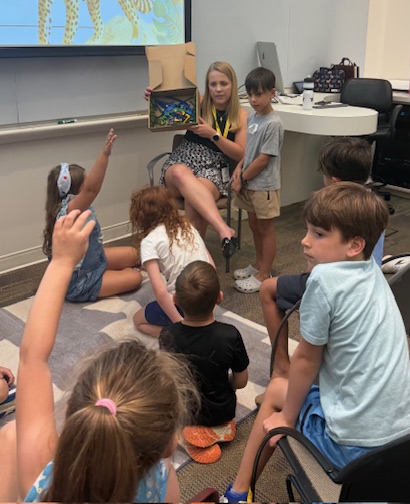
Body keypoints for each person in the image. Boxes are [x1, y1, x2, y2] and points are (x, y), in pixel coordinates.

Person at [223, 183, 410, 502]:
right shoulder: (372, 269)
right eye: (307, 230)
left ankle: (237, 494)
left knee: (277, 391)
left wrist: (286, 418)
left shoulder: (324, 280)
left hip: (356, 450)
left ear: (354, 244)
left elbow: (306, 360)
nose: (304, 241)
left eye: (318, 234)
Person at [1, 209, 198, 503]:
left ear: (75, 417)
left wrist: (61, 262)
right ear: (171, 442)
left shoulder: (42, 479)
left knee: (12, 434)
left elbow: (33, 358)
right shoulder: (162, 480)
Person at [260, 136, 385, 378]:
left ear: (333, 181)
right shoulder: (373, 204)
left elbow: (322, 271)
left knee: (267, 288)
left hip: (338, 284)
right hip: (369, 280)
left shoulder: (335, 212)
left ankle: (281, 368)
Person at [146, 61, 248, 258]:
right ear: (207, 86)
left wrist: (213, 135)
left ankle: (194, 257)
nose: (218, 89)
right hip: (182, 161)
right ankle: (223, 229)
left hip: (213, 168)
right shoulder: (199, 103)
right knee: (179, 173)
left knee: (195, 198)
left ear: (233, 84)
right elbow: (167, 105)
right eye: (213, 84)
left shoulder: (241, 115)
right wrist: (154, 97)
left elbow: (240, 154)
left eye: (224, 83)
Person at [159, 260, 249, 464]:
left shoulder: (167, 335)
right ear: (220, 298)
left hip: (187, 413)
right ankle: (220, 429)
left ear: (175, 299)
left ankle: (188, 436)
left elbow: (168, 380)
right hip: (223, 411)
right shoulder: (230, 335)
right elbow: (241, 381)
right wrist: (226, 381)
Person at [42, 128, 141, 302]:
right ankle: (106, 280)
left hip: (94, 260)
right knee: (135, 277)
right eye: (86, 180)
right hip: (80, 281)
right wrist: (105, 154)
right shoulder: (70, 210)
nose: (89, 181)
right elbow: (92, 189)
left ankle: (110, 274)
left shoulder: (71, 205)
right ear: (76, 190)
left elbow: (89, 189)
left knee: (135, 254)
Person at [130, 186, 214, 338]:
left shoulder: (149, 241)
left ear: (140, 216)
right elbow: (211, 266)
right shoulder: (188, 226)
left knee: (138, 320)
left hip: (183, 303)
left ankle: (181, 336)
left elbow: (160, 291)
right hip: (207, 298)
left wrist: (179, 324)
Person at [231, 67, 284, 293]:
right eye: (250, 94)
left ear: (272, 93)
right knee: (254, 225)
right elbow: (250, 151)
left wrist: (241, 179)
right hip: (250, 183)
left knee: (266, 228)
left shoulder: (273, 123)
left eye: (259, 94)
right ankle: (259, 264)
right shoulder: (252, 118)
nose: (253, 99)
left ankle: (264, 274)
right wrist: (239, 167)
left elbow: (263, 159)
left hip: (264, 186)